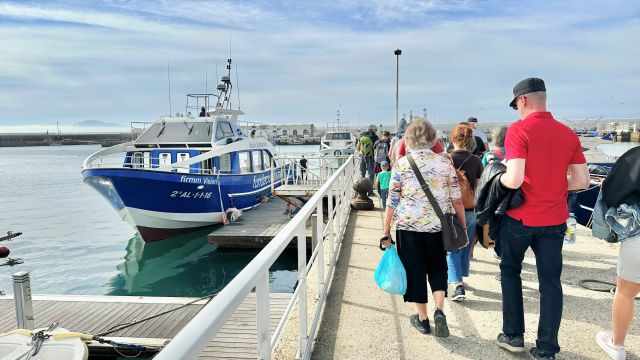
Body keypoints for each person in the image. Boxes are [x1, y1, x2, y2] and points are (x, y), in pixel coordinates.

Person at [496, 78, 589, 359]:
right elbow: (582, 180)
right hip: (554, 220)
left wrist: (495, 180)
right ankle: (547, 348)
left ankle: (513, 336)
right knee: (550, 282)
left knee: (510, 271)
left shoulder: (518, 130)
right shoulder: (567, 133)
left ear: (522, 100)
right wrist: (556, 186)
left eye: (516, 105)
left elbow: (513, 180)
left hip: (519, 220)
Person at [382, 119, 466, 338]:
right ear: (433, 139)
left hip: (408, 228)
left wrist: (385, 231)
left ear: (408, 140)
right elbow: (457, 200)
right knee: (438, 268)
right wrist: (463, 226)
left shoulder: (401, 164)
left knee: (415, 271)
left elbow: (391, 201)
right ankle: (439, 310)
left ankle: (423, 319)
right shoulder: (445, 163)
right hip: (438, 228)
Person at [447, 124, 483, 301]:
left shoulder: (446, 159)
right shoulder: (476, 161)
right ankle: (459, 277)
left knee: (452, 248)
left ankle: (457, 284)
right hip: (470, 210)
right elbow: (479, 188)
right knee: (465, 246)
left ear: (452, 139)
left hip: (451, 210)